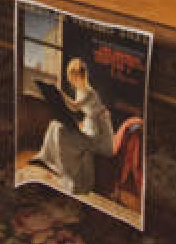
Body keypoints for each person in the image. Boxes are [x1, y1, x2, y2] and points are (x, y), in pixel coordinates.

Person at [30, 58, 115, 195]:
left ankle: (68, 174)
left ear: (82, 75)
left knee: (62, 131)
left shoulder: (89, 92)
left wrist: (59, 93)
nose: (73, 79)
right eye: (72, 75)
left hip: (98, 139)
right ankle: (45, 158)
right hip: (89, 130)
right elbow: (78, 110)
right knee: (54, 125)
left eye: (76, 75)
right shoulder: (80, 91)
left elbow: (75, 106)